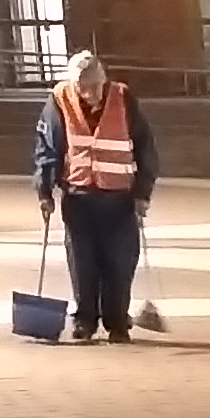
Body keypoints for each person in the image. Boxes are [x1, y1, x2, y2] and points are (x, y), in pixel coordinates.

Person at [30, 49, 160, 343]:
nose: (91, 94)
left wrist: (143, 192)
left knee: (120, 263)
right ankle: (85, 321)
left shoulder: (123, 98)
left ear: (104, 80)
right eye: (83, 88)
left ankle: (118, 322)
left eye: (95, 87)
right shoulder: (59, 99)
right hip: (79, 196)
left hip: (119, 198)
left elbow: (145, 147)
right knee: (82, 262)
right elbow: (48, 148)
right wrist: (44, 190)